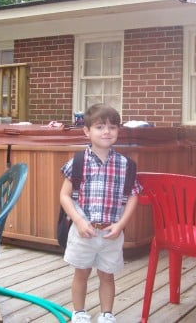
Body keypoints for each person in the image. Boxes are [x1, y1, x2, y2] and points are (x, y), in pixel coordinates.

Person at [59, 104, 141, 323]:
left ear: (118, 131)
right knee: (81, 273)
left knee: (107, 275)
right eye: (100, 126)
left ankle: (106, 314)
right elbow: (65, 196)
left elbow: (134, 195)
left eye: (112, 127)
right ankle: (79, 312)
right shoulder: (77, 162)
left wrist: (121, 224)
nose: (106, 131)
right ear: (87, 131)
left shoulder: (126, 165)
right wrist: (77, 220)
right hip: (83, 231)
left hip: (110, 233)